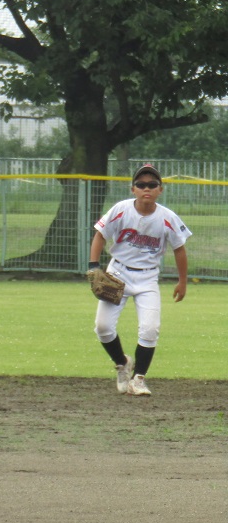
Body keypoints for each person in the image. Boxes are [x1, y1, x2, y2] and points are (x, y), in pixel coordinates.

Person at [88, 164, 191, 396]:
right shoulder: (121, 210)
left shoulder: (167, 218)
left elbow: (180, 249)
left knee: (150, 328)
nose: (147, 188)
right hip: (118, 274)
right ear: (133, 188)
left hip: (147, 277)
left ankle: (139, 379)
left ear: (160, 189)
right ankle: (123, 364)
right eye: (141, 184)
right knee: (103, 328)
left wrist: (182, 281)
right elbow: (100, 235)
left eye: (152, 184)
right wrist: (94, 266)